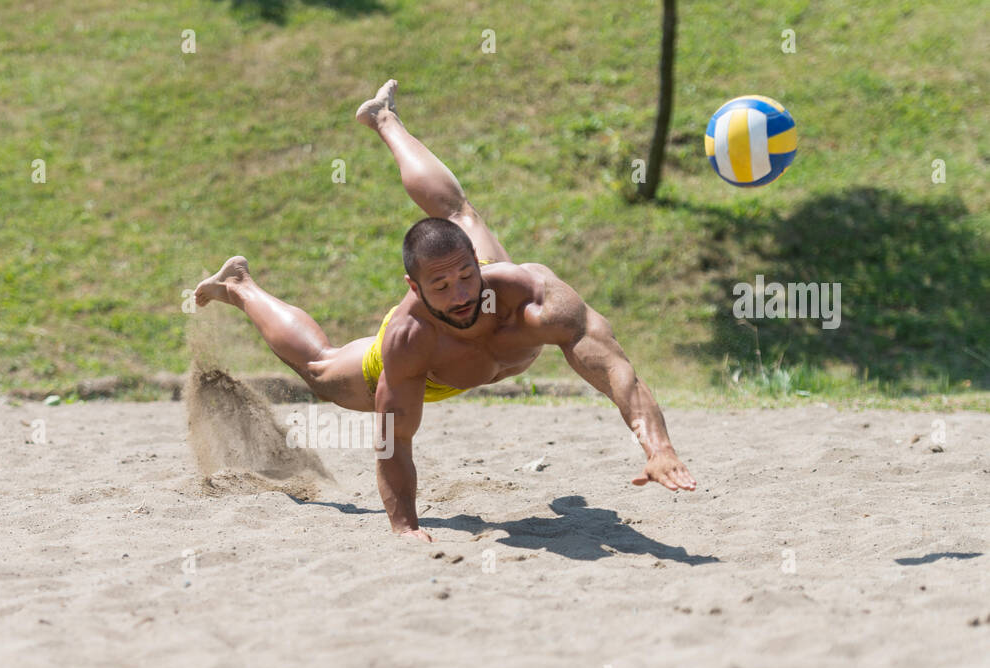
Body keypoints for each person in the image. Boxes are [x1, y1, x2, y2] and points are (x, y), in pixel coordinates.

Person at [196, 79, 696, 541]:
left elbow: (615, 368)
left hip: (497, 319)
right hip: (436, 366)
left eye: (465, 277)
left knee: (461, 215)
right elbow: (395, 441)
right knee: (321, 369)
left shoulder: (532, 295)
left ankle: (384, 119)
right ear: (413, 287)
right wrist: (405, 526)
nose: (460, 294)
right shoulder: (408, 341)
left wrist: (658, 447)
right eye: (441, 285)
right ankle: (240, 286)